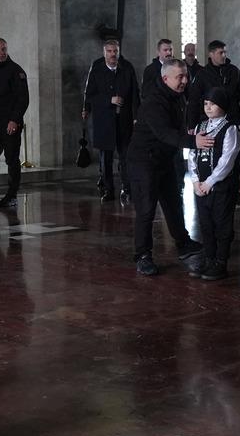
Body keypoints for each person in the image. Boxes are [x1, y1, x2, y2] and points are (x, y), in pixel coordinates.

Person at [124, 58, 209, 276]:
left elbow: (177, 128)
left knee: (173, 204)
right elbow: (164, 133)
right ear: (165, 79)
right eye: (179, 77)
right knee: (146, 209)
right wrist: (193, 141)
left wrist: (191, 133)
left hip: (164, 159)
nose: (184, 81)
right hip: (143, 162)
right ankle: (143, 255)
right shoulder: (153, 102)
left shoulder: (178, 96)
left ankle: (183, 244)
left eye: (186, 76)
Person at [187, 87, 240, 281]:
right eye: (206, 104)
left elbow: (227, 160)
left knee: (222, 224)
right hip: (201, 187)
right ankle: (209, 258)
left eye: (213, 104)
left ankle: (220, 261)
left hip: (221, 187)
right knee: (206, 224)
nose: (208, 107)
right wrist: (196, 182)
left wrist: (210, 182)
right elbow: (192, 154)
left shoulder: (230, 129)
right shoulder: (201, 127)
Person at [83, 39, 139, 203]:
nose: (113, 54)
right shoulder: (97, 68)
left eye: (115, 51)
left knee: (125, 156)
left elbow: (135, 93)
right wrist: (108, 100)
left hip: (124, 120)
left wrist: (136, 117)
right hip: (104, 120)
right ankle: (108, 190)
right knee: (105, 159)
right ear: (104, 53)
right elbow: (90, 94)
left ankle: (127, 189)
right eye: (109, 51)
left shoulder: (127, 67)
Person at [0, 37, 29, 207]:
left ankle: (12, 195)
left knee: (12, 160)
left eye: (3, 49)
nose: (1, 52)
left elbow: (23, 99)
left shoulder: (16, 71)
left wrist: (14, 120)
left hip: (10, 124)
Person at [185, 39, 240, 129]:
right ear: (211, 54)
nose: (224, 55)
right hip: (209, 123)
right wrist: (192, 125)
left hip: (231, 120)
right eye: (220, 53)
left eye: (225, 52)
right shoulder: (202, 74)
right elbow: (194, 101)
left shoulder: (234, 71)